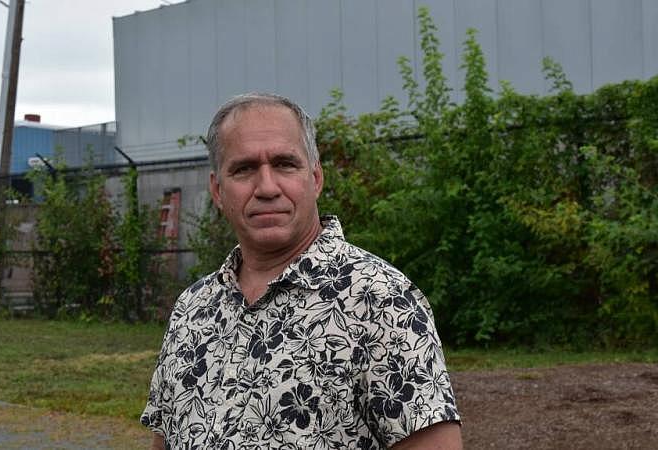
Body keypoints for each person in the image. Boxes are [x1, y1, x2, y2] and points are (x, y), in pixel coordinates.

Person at [141, 93, 461, 449]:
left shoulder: (381, 300)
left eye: (284, 164)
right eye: (244, 169)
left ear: (315, 178)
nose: (266, 187)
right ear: (218, 190)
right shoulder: (192, 309)